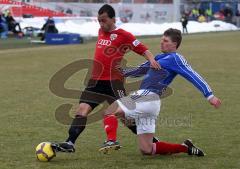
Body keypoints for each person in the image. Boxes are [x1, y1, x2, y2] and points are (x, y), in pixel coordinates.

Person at [51, 4, 161, 153]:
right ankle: (70, 142)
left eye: (104, 20)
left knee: (126, 117)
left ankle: (153, 142)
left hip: (115, 84)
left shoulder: (124, 35)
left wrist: (152, 60)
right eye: (99, 20)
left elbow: (141, 48)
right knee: (82, 110)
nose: (101, 24)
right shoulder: (100, 31)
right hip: (95, 82)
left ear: (113, 19)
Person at [99, 28, 221, 156]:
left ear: (174, 44)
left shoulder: (176, 58)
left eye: (165, 41)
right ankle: (186, 148)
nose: (161, 42)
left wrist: (209, 95)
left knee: (110, 111)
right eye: (162, 40)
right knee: (146, 149)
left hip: (146, 97)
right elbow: (141, 69)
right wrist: (122, 71)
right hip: (150, 103)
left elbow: (193, 75)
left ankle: (111, 141)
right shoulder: (159, 57)